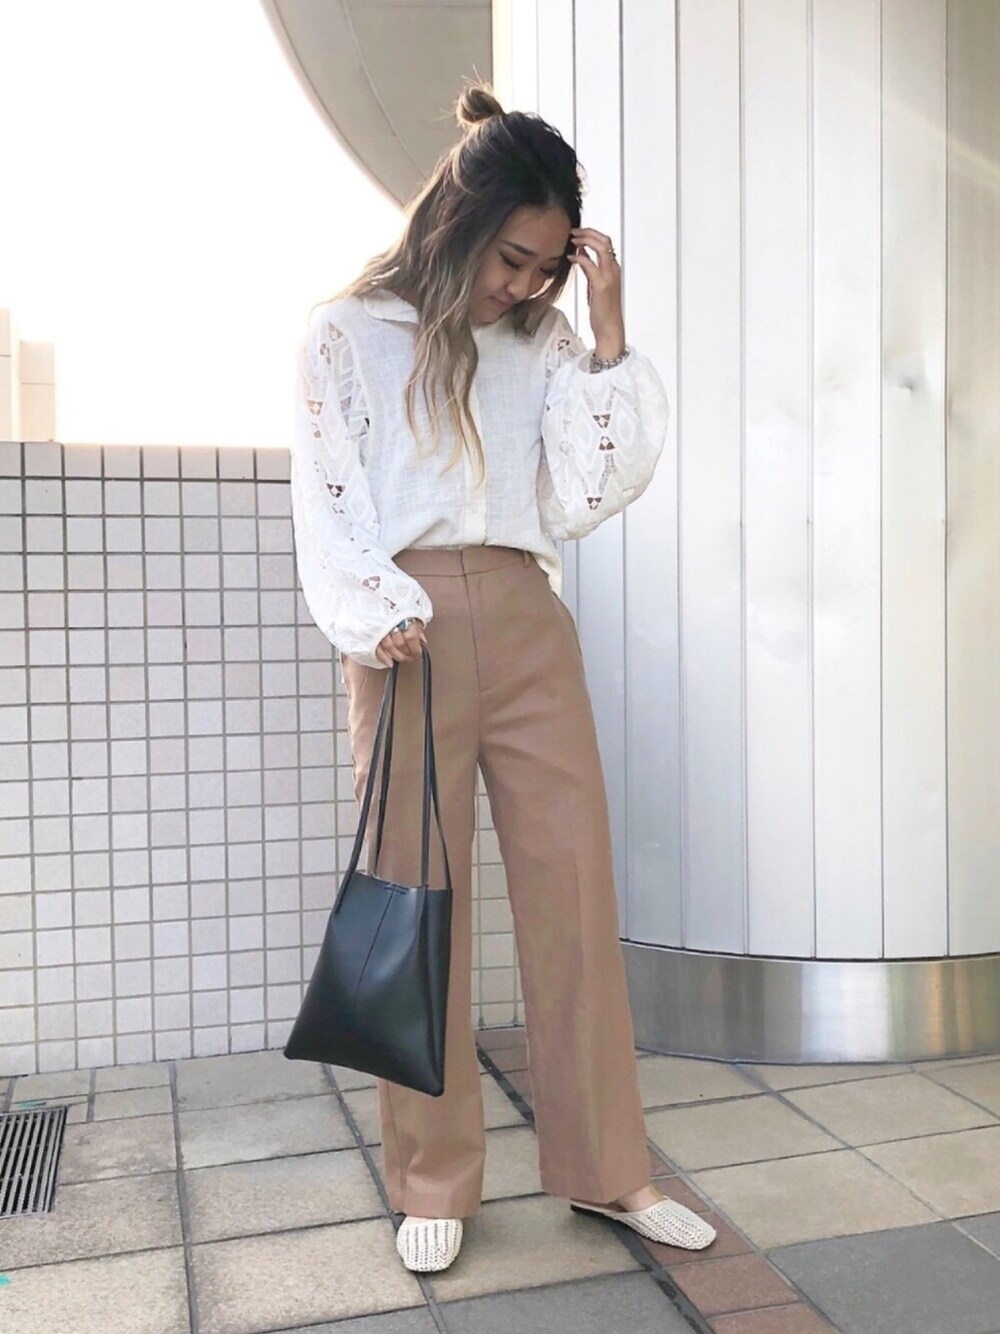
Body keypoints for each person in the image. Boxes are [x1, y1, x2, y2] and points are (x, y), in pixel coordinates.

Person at [290, 81, 717, 1274]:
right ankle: (432, 1174)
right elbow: (327, 494)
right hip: (407, 631)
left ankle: (609, 1167)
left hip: (529, 618)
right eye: (511, 259)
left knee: (572, 889)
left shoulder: (546, 342)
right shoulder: (348, 332)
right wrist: (373, 609)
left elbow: (585, 488)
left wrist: (608, 327)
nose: (524, 286)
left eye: (545, 266)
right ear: (458, 217)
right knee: (414, 900)